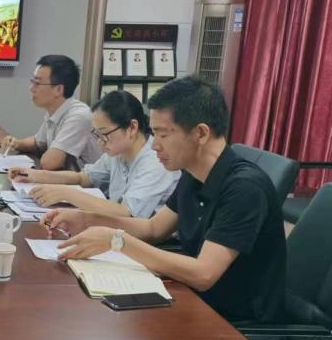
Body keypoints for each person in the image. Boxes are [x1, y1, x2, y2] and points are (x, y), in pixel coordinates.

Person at [45, 76, 286, 324]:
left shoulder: (244, 188)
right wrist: (88, 220)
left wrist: (116, 241)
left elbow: (204, 274)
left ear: (201, 133)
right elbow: (153, 228)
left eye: (162, 135)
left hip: (232, 324)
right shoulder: (194, 174)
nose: (155, 146)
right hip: (193, 300)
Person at [9, 89, 178, 218]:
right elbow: (84, 178)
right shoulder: (119, 152)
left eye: (104, 134)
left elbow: (126, 213)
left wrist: (68, 194)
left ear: (132, 128)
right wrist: (35, 175)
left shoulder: (155, 162)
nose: (100, 142)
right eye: (97, 135)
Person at [0, 54, 101, 171]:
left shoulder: (79, 116)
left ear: (58, 89)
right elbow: (38, 142)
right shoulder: (55, 111)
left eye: (37, 83)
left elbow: (49, 163)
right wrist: (16, 143)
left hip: (89, 182)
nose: (31, 88)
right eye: (32, 82)